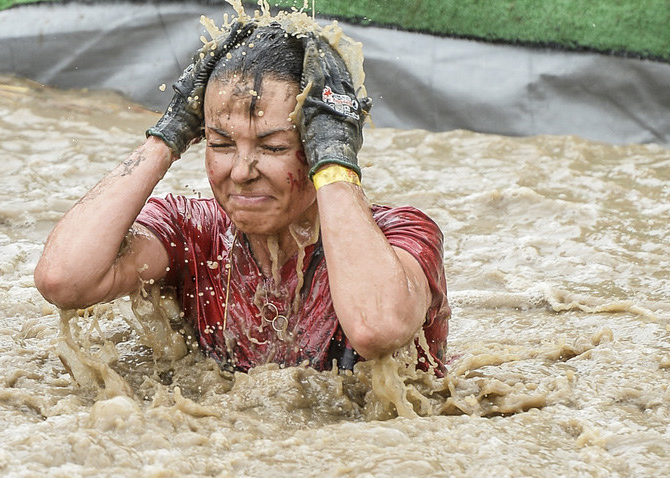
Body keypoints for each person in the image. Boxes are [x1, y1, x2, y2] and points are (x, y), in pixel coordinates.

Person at [34, 19, 449, 375]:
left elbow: (375, 328)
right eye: (221, 144)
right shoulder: (193, 233)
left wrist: (337, 158)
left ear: (318, 148)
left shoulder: (403, 236)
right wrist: (167, 136)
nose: (241, 172)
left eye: (273, 147)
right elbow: (65, 280)